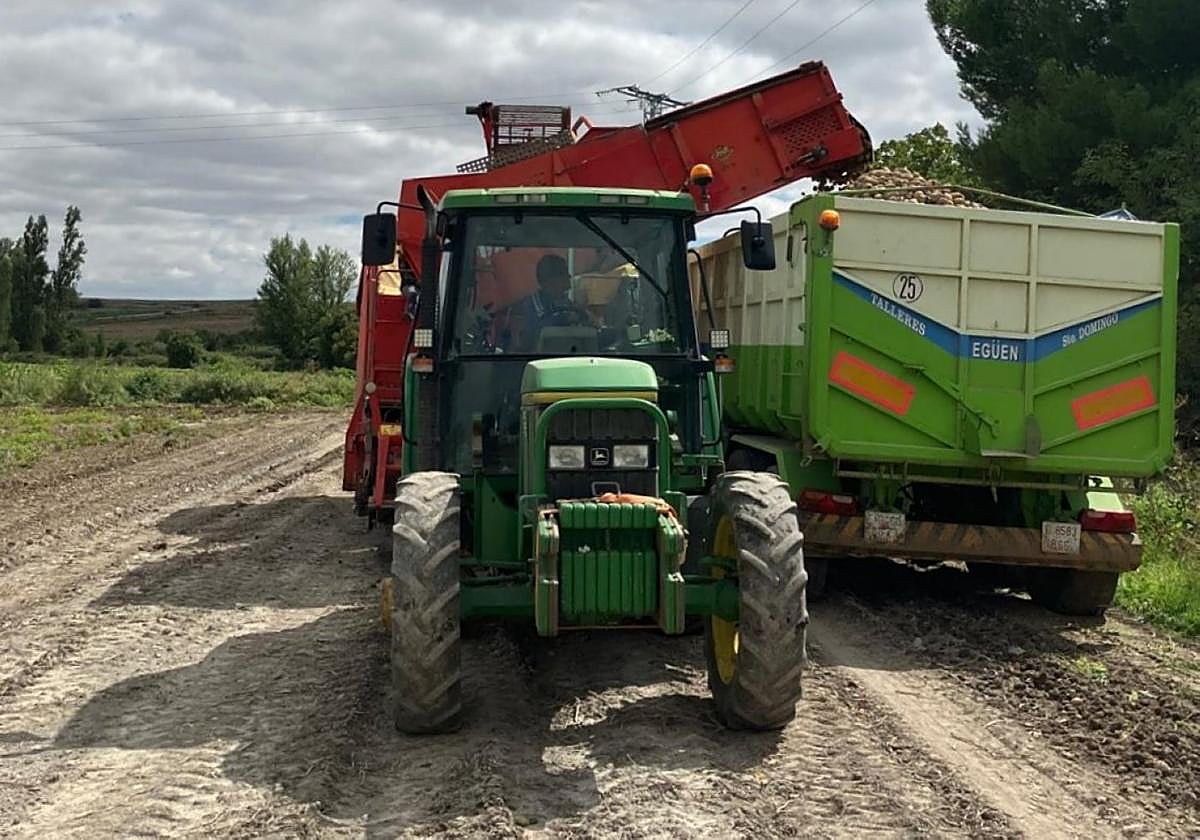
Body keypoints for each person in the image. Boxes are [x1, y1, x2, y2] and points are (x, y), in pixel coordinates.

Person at [509, 254, 594, 350]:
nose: (569, 276)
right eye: (564, 273)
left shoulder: (565, 301)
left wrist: (584, 315)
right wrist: (566, 318)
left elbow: (580, 321)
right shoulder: (529, 304)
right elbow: (534, 330)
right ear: (549, 279)